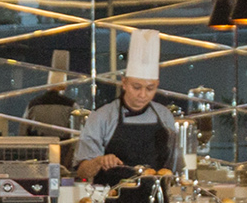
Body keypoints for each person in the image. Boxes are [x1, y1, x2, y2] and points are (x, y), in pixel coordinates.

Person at [70, 29, 185, 182]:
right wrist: (99, 161)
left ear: (157, 85)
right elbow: (82, 171)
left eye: (150, 88)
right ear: (124, 83)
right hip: (112, 201)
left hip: (157, 200)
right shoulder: (102, 117)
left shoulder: (164, 116)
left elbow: (176, 167)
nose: (143, 94)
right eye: (136, 87)